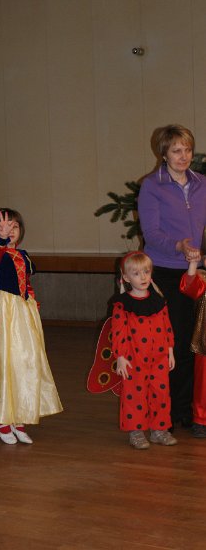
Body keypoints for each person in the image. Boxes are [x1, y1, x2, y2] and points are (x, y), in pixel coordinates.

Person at [138, 124, 206, 431]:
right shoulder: (152, 186)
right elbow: (151, 233)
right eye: (176, 150)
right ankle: (171, 411)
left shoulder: (202, 183)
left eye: (187, 150)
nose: (184, 156)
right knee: (176, 343)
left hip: (198, 272)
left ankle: (193, 410)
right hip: (166, 271)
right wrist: (179, 246)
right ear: (163, 153)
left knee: (197, 343)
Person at [0, 209, 63, 445]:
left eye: (14, 227)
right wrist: (1, 240)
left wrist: (31, 303)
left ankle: (19, 415)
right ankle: (2, 417)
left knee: (25, 362)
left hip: (22, 313)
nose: (10, 231)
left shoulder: (23, 255)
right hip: (1, 313)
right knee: (4, 364)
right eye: (3, 227)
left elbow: (26, 283)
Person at [111, 251, 177, 449]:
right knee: (135, 394)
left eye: (146, 272)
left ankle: (159, 429)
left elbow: (167, 327)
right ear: (126, 278)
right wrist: (120, 356)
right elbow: (118, 332)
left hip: (159, 357)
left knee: (161, 392)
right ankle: (136, 431)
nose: (143, 277)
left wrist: (170, 351)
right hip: (134, 359)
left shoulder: (159, 301)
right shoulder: (122, 304)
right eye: (137, 273)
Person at [179, 252, 206, 438]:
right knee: (202, 384)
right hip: (204, 342)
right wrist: (193, 264)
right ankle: (201, 420)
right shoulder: (203, 279)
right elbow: (188, 286)